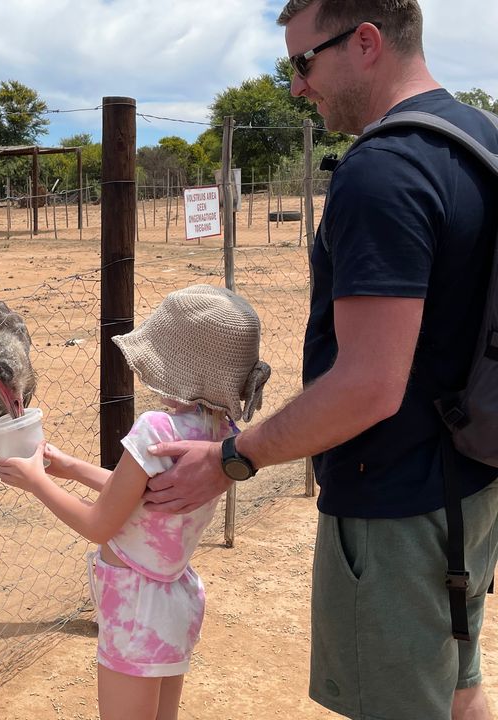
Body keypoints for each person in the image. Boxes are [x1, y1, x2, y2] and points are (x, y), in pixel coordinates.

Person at [141, 2, 498, 719]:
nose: (298, 86)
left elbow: (368, 386)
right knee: (458, 687)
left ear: (364, 42)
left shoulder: (382, 170)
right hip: (471, 481)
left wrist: (233, 458)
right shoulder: (477, 137)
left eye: (303, 61)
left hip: (396, 506)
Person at [0, 285, 271, 720]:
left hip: (135, 610)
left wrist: (36, 483)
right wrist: (72, 468)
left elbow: (99, 525)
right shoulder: (221, 434)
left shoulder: (156, 428)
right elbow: (142, 499)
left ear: (181, 369)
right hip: (175, 600)